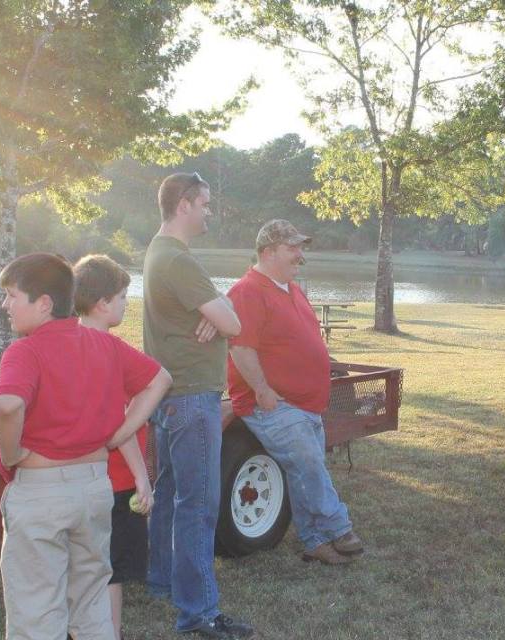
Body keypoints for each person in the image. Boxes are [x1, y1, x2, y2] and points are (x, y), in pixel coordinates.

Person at [0, 253, 170, 640]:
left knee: (37, 613)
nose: (4, 305)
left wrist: (10, 454)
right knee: (91, 608)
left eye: (11, 295)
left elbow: (7, 406)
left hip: (40, 492)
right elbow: (159, 380)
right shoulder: (103, 344)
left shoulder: (25, 351)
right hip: (93, 488)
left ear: (44, 303)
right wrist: (119, 434)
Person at [142, 172, 254, 639]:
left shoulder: (160, 252)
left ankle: (162, 580)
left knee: (170, 492)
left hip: (172, 396)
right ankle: (199, 612)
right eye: (205, 204)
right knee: (198, 505)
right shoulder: (179, 260)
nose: (210, 212)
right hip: (191, 398)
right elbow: (235, 325)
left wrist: (218, 312)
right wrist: (221, 317)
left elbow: (224, 316)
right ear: (184, 204)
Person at [226, 219, 363, 565]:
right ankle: (338, 527)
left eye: (301, 247)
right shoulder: (247, 291)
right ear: (269, 252)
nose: (300, 255)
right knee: (309, 463)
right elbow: (241, 349)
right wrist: (262, 390)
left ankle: (314, 542)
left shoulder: (292, 289)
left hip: (306, 403)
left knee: (303, 470)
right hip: (273, 404)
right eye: (292, 248)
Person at [74, 254, 154, 640]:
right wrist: (142, 477)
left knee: (80, 566)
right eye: (122, 297)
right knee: (111, 572)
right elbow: (119, 423)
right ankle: (110, 632)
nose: (125, 304)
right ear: (103, 303)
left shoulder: (65, 345)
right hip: (116, 483)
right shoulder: (109, 350)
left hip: (77, 479)